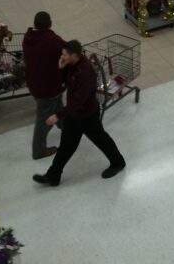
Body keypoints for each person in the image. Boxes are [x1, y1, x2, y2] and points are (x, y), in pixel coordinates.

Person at [33, 40, 126, 187]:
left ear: (74, 55)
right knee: (66, 146)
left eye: (64, 54)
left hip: (87, 115)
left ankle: (118, 163)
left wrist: (57, 115)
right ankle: (53, 176)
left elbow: (78, 101)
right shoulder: (72, 65)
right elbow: (67, 83)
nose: (62, 56)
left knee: (101, 139)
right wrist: (61, 68)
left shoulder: (85, 72)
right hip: (74, 115)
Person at [23, 11, 66, 160]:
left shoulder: (28, 37)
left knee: (58, 108)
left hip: (35, 82)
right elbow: (66, 50)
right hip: (49, 86)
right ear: (49, 23)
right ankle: (38, 150)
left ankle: (68, 129)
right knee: (43, 119)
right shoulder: (51, 40)